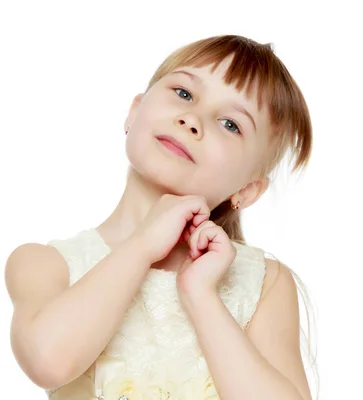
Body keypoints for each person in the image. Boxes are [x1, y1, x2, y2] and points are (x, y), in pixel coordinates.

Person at [4, 34, 315, 400]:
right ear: (134, 111)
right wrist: (142, 247)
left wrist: (201, 296)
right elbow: (49, 361)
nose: (192, 120)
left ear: (247, 190)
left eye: (230, 124)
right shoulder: (44, 264)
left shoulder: (264, 282)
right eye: (184, 93)